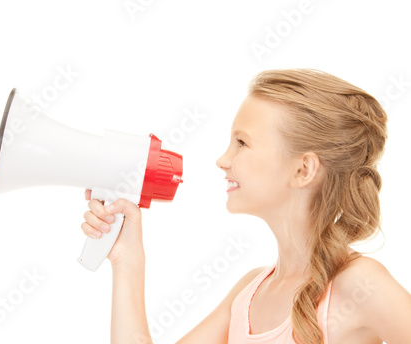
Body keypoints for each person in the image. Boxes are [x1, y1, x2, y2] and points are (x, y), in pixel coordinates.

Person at [81, 69, 411, 343]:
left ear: (303, 169)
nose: (222, 160)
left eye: (241, 143)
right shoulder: (249, 293)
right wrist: (128, 260)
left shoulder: (360, 285)